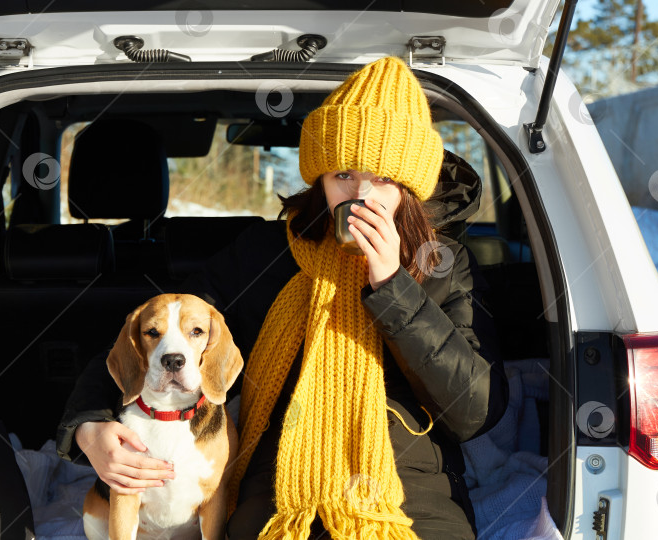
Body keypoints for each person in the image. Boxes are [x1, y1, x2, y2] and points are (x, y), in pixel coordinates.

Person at [56, 56, 508, 539]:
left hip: (407, 487)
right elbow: (155, 338)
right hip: (279, 485)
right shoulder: (263, 255)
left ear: (409, 188)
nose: (362, 196)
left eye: (383, 179)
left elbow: (473, 412)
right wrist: (88, 428)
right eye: (344, 176)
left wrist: (394, 286)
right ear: (320, 179)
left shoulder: (444, 263)